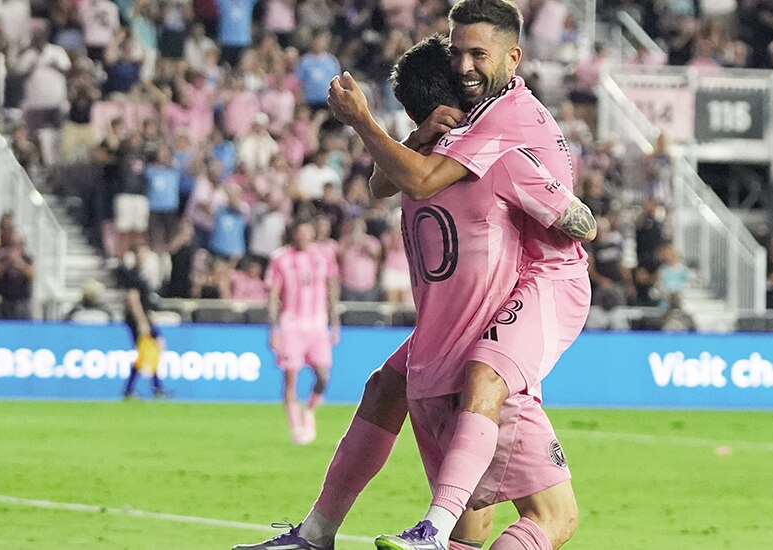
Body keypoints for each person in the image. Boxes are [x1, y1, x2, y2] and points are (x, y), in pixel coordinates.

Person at [236, 27, 593, 550]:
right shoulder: (497, 157)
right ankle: (422, 527)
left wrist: (392, 132)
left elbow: (389, 182)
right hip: (482, 351)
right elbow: (580, 221)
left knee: (390, 398)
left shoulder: (411, 167)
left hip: (430, 360)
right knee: (552, 518)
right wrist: (564, 212)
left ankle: (317, 534)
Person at [266, 217, 341, 445]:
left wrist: (335, 323)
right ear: (293, 234)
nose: (304, 237)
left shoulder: (324, 255)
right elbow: (272, 296)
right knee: (290, 379)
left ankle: (309, 411)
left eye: (308, 232)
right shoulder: (280, 259)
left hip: (318, 325)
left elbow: (332, 290)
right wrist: (273, 329)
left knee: (323, 377)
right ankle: (296, 427)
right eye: (300, 233)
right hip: (291, 325)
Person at [119, 244, 170, 399]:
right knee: (146, 352)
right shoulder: (133, 274)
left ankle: (155, 387)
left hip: (145, 318)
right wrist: (141, 321)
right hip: (137, 320)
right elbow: (133, 299)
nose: (145, 256)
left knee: (153, 349)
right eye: (142, 253)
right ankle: (135, 389)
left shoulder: (141, 273)